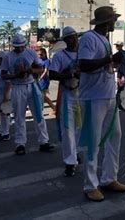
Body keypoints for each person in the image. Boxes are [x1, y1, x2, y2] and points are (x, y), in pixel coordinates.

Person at [78, 6, 125, 202]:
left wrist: (114, 62)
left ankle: (109, 178)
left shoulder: (105, 39)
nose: (114, 22)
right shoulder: (89, 38)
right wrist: (109, 59)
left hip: (108, 96)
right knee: (93, 141)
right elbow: (84, 65)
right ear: (105, 21)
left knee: (115, 136)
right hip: (93, 97)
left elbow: (104, 65)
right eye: (113, 19)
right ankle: (90, 185)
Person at [1, 34, 54, 155]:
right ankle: (20, 143)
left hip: (31, 85)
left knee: (38, 115)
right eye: (17, 47)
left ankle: (44, 141)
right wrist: (14, 76)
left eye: (21, 46)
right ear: (13, 46)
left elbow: (41, 68)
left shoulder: (31, 53)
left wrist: (32, 71)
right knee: (19, 117)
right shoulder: (8, 57)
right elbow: (3, 74)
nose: (19, 49)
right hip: (17, 87)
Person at [49, 26, 81, 177]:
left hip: (82, 94)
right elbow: (52, 74)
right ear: (65, 40)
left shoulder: (84, 54)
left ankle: (75, 153)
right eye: (70, 38)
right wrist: (65, 75)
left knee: (79, 128)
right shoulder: (59, 56)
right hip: (67, 94)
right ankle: (70, 162)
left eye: (74, 37)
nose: (73, 40)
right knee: (67, 128)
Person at [37, 48, 56, 115]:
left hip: (44, 80)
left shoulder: (47, 61)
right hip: (38, 80)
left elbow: (46, 71)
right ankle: (53, 108)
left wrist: (41, 77)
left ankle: (53, 108)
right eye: (38, 55)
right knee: (41, 96)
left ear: (45, 54)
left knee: (43, 96)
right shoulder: (39, 60)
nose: (39, 56)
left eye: (41, 54)